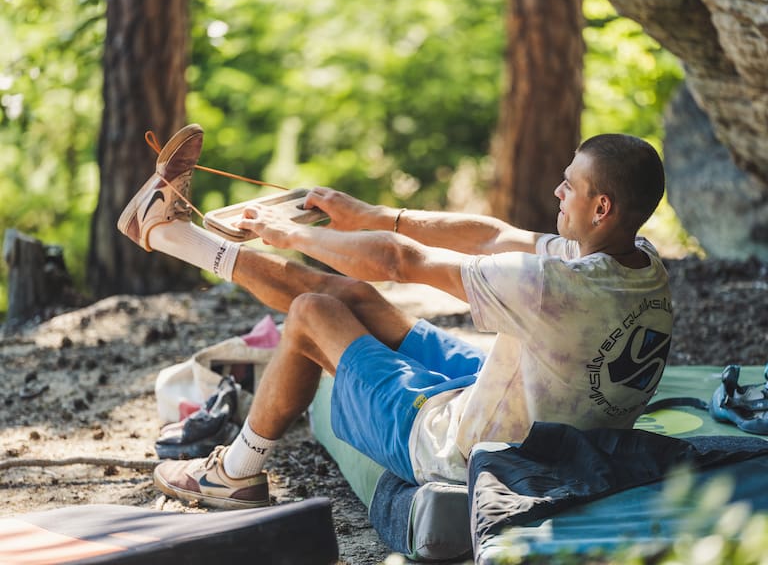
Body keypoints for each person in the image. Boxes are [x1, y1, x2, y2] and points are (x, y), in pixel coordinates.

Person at [117, 124, 673, 510]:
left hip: (463, 454)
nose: (557, 188)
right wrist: (376, 215)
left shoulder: (556, 289)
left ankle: (232, 476)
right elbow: (495, 236)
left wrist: (287, 233)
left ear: (601, 208)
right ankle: (163, 231)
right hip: (526, 414)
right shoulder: (640, 263)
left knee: (312, 314)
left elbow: (400, 262)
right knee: (354, 297)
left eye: (570, 184)